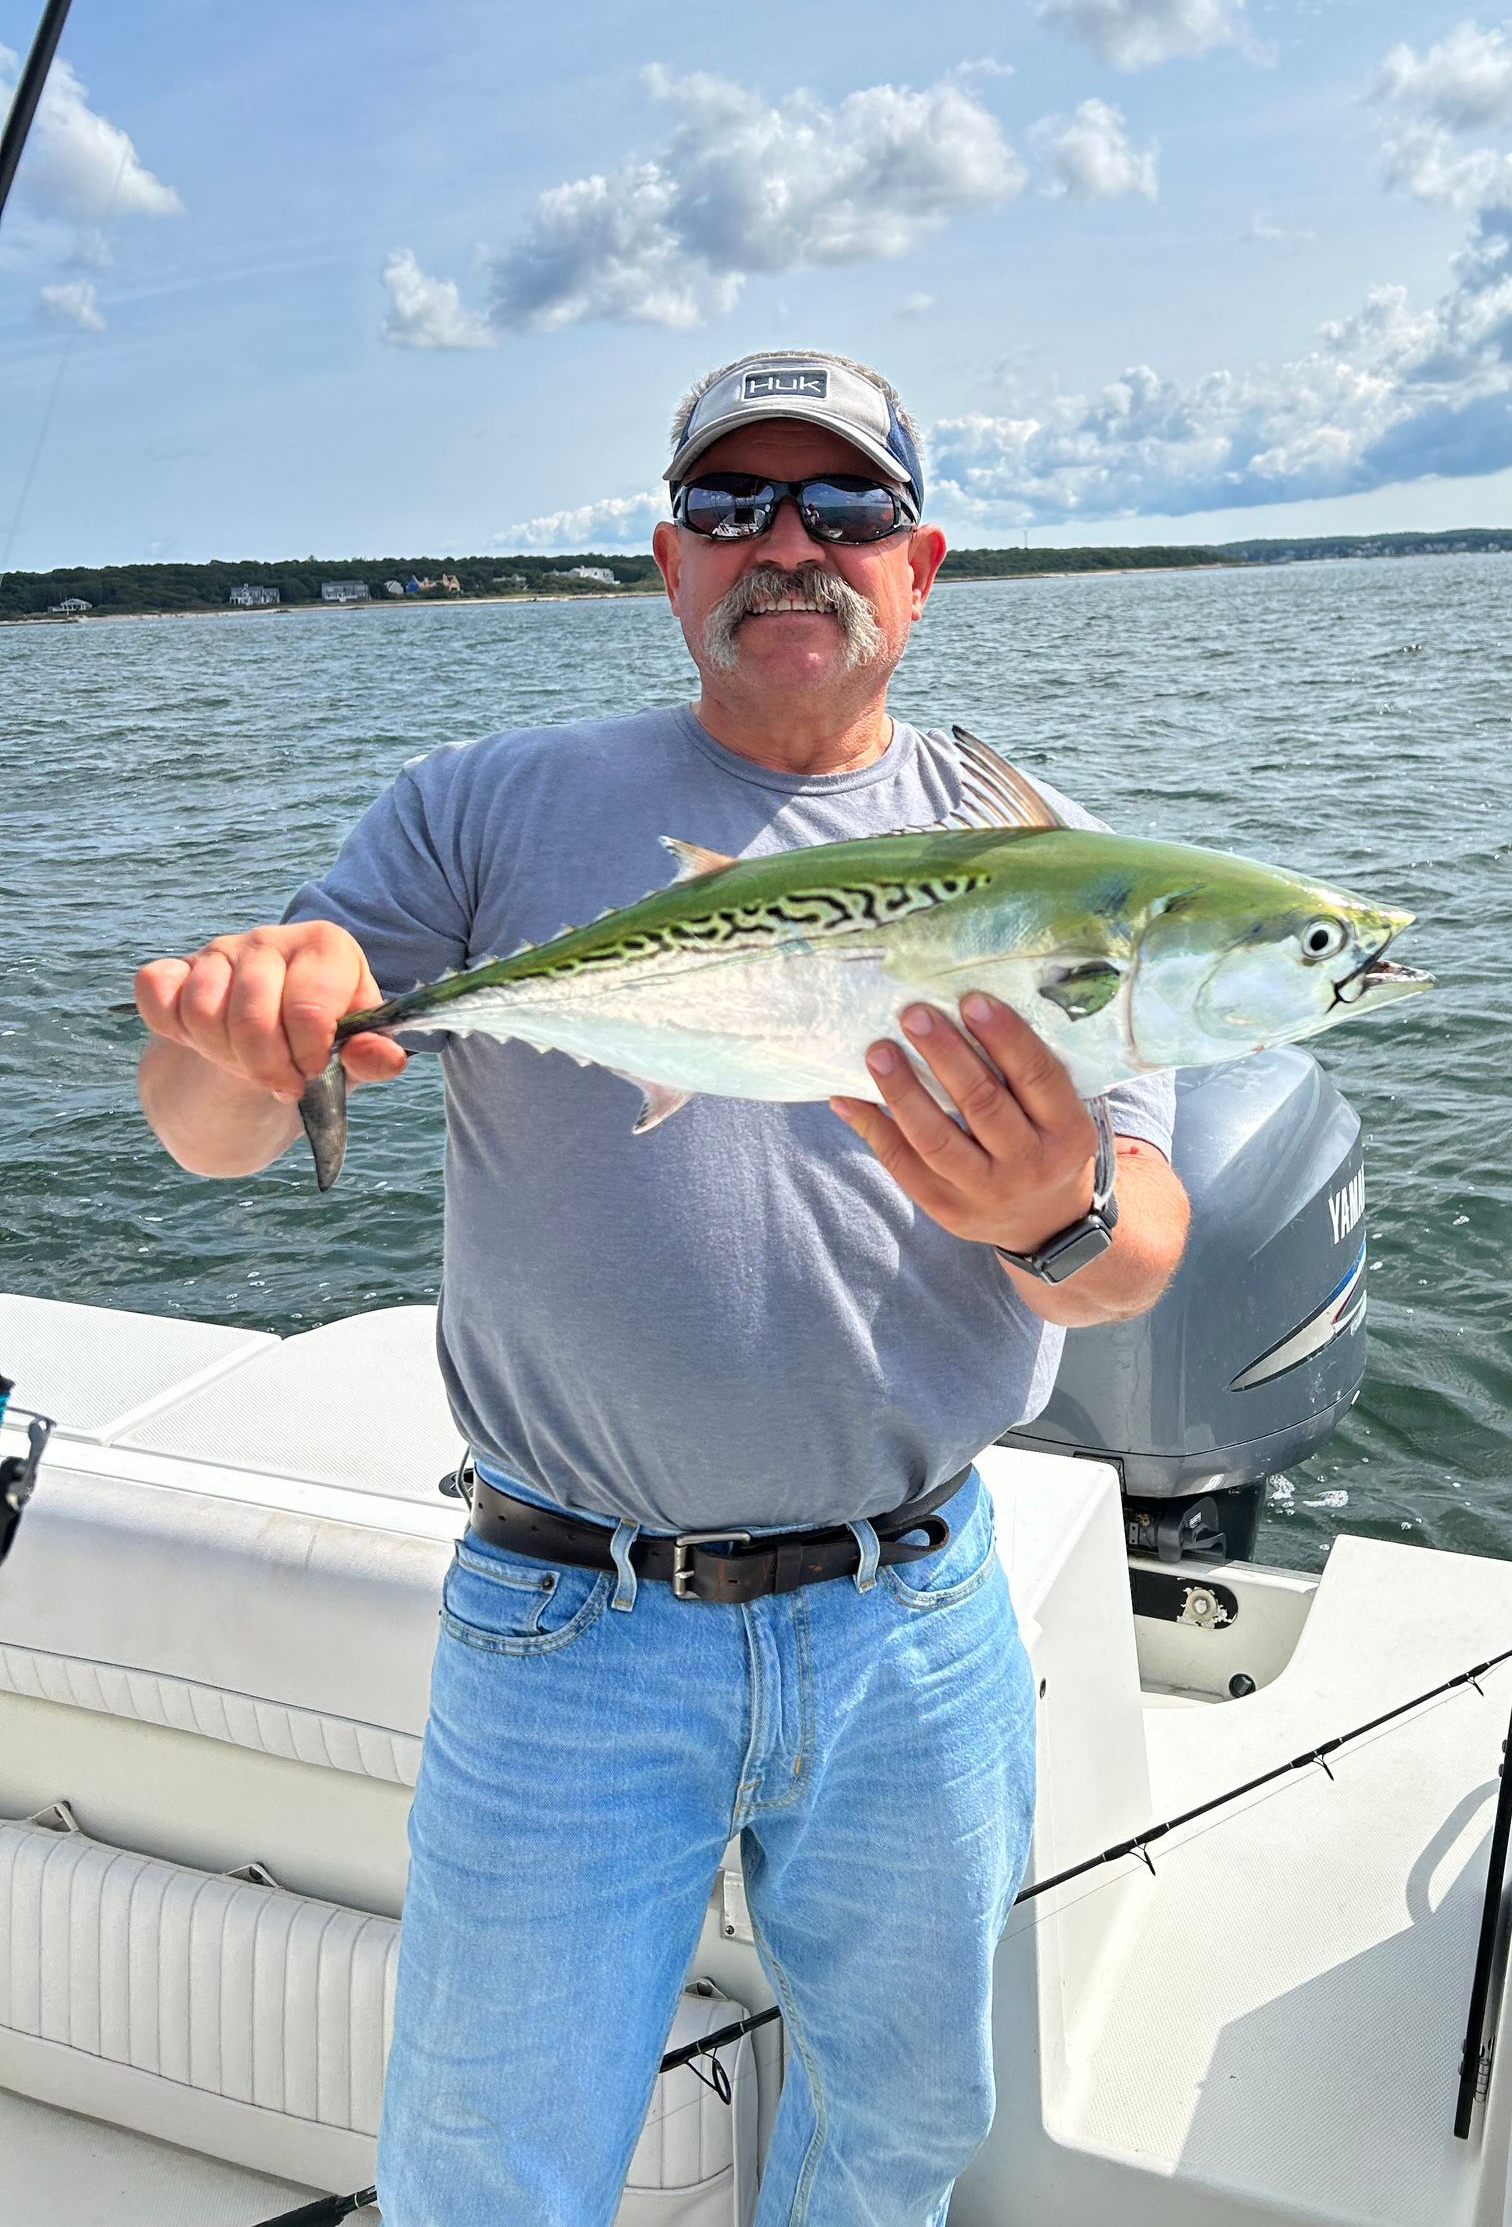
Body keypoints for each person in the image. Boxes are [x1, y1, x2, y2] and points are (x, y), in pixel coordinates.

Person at [133, 347, 1190, 2227]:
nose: (792, 545)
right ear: (668, 561)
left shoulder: (1055, 867)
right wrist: (235, 1039)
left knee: (900, 2130)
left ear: (921, 564)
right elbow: (212, 1131)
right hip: (569, 1623)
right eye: (735, 508)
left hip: (915, 1617)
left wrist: (1058, 1208)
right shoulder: (483, 805)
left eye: (845, 508)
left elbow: (1142, 1254)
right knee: (487, 2175)